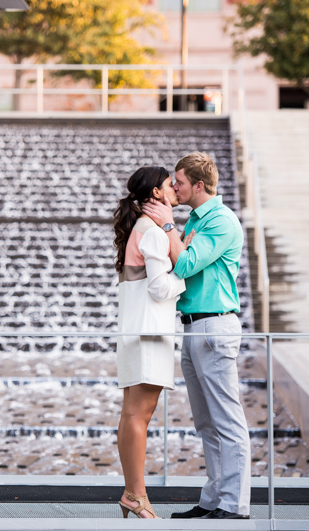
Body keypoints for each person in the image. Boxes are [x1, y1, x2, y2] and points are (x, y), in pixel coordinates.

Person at [143, 152, 251, 520]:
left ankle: (234, 505)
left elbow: (186, 263)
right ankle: (213, 501)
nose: (174, 188)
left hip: (215, 326)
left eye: (179, 183)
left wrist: (168, 227)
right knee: (206, 422)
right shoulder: (197, 220)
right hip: (193, 326)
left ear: (199, 185)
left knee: (227, 419)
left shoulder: (220, 221)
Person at [112, 166, 192, 519]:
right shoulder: (155, 234)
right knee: (139, 417)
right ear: (157, 194)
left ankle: (132, 493)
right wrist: (185, 276)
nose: (174, 189)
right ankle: (137, 496)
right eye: (168, 185)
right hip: (150, 335)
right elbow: (161, 288)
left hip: (132, 333)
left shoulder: (138, 229)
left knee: (130, 414)